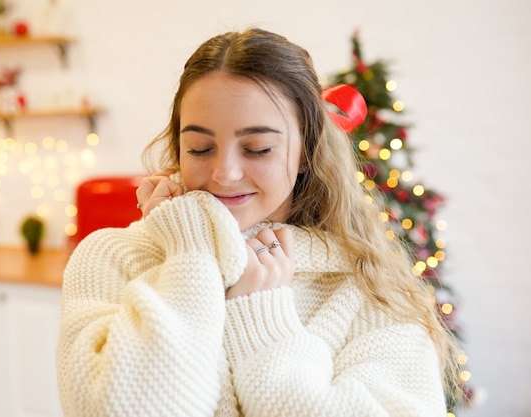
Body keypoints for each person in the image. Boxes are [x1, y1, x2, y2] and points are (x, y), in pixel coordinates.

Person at [56, 27, 459, 417]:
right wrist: (191, 252)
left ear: (306, 151)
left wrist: (260, 317)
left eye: (258, 148)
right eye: (199, 148)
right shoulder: (111, 257)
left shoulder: (368, 287)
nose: (225, 173)